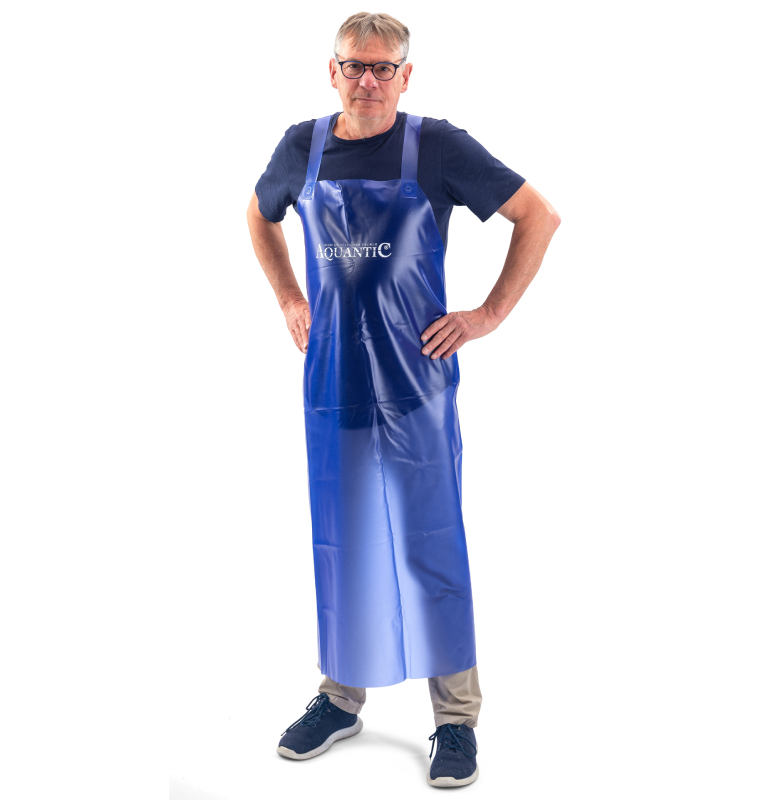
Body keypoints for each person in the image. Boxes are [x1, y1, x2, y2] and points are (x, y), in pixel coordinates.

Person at [247, 11, 560, 788]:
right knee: (343, 536)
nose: (368, 80)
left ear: (405, 76)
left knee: (431, 542)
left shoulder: (437, 147)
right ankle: (340, 697)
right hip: (335, 384)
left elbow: (538, 215)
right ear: (332, 72)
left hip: (416, 386)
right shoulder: (301, 147)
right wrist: (288, 297)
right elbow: (258, 214)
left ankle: (455, 720)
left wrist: (487, 315)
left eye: (383, 67)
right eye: (354, 66)